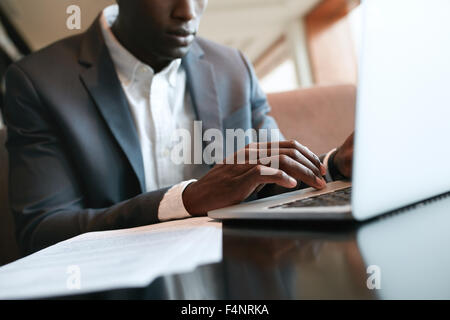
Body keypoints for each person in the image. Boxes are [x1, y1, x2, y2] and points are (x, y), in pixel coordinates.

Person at [2, 0, 353, 255]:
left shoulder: (234, 68)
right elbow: (42, 231)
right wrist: (186, 200)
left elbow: (275, 181)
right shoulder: (38, 82)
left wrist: (333, 165)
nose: (187, 11)